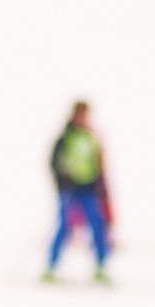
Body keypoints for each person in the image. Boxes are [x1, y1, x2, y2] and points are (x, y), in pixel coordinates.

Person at [43, 100, 111, 284]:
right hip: (69, 190)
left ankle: (101, 267)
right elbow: (54, 162)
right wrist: (62, 182)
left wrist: (100, 186)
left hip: (88, 189)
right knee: (65, 227)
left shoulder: (91, 137)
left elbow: (98, 163)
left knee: (97, 226)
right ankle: (51, 267)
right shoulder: (66, 137)